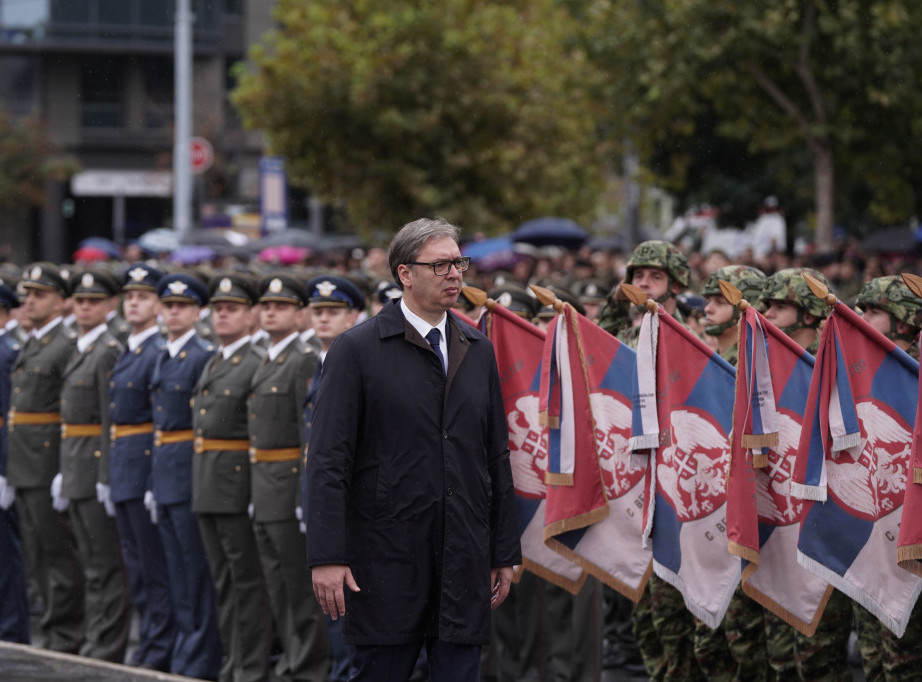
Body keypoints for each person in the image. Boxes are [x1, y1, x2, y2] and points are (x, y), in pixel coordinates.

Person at [306, 217, 521, 682]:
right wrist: (326, 555)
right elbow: (327, 461)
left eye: (459, 263)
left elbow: (495, 457)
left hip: (462, 558)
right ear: (405, 273)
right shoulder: (358, 348)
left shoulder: (476, 349)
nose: (455, 275)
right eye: (441, 265)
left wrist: (503, 551)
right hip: (385, 558)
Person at [597, 241, 703, 682]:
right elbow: (597, 343)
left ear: (676, 286)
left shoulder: (689, 340)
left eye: (654, 277)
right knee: (643, 612)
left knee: (678, 607)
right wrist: (616, 298)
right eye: (637, 275)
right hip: (630, 481)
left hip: (674, 486)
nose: (642, 283)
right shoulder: (624, 336)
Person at [248, 273, 329, 681]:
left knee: (297, 586)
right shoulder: (268, 356)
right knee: (277, 584)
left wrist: (303, 494)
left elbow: (306, 435)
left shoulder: (301, 360)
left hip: (286, 484)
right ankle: (291, 661)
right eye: (266, 306)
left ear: (299, 316)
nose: (271, 312)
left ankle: (308, 666)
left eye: (280, 306)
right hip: (264, 483)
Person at [192, 273, 271, 682]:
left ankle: (251, 668)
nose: (222, 316)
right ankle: (233, 662)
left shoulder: (256, 361)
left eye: (232, 309)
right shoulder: (216, 359)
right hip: (208, 484)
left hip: (236, 486)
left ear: (251, 315)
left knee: (246, 583)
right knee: (224, 582)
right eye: (218, 309)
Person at [7, 263, 83, 653]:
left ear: (59, 302)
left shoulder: (64, 344)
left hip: (46, 461)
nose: (29, 301)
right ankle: (52, 633)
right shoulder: (35, 341)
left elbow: (67, 411)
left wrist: (62, 470)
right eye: (27, 294)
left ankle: (64, 636)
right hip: (24, 462)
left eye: (39, 295)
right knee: (37, 554)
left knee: (58, 557)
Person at [150, 272, 222, 680]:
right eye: (169, 306)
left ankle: (198, 657)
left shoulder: (199, 356)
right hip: (164, 471)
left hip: (187, 473)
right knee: (175, 571)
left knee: (195, 574)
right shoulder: (165, 354)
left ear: (197, 312)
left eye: (181, 306)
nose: (173, 313)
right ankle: (185, 649)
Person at [59, 269, 131, 661]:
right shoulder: (81, 346)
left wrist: (105, 474)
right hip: (73, 464)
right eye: (80, 301)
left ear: (108, 306)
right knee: (89, 562)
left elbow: (108, 417)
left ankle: (108, 644)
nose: (85, 307)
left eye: (93, 302)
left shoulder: (106, 349)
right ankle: (93, 639)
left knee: (106, 563)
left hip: (92, 466)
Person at [108, 262, 174, 671]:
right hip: (122, 469)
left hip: (146, 469)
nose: (134, 303)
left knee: (156, 570)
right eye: (129, 296)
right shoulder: (128, 350)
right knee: (138, 569)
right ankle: (150, 643)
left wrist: (151, 478)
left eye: (144, 297)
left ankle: (158, 647)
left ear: (158, 306)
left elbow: (159, 422)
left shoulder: (156, 353)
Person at [301, 274, 365, 682]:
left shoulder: (355, 362)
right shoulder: (319, 364)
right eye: (317, 311)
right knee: (331, 603)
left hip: (351, 503)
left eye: (333, 312)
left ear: (354, 315)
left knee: (349, 604)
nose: (323, 319)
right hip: (324, 499)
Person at [0, 276, 29, 645]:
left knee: (7, 554)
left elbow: (10, 416)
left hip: (2, 460)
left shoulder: (7, 353)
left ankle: (11, 628)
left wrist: (5, 471)